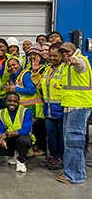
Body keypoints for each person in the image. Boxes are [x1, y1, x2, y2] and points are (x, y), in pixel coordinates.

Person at [57, 42, 92, 184]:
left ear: (74, 50)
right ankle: (70, 168)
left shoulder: (80, 60)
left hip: (78, 107)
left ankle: (75, 175)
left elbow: (80, 64)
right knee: (69, 140)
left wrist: (74, 60)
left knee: (74, 141)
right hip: (71, 106)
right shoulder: (66, 65)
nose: (64, 54)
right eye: (62, 52)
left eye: (67, 51)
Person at [34, 43, 65, 170]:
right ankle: (52, 156)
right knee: (51, 135)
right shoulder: (47, 69)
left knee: (61, 136)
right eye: (50, 55)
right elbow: (37, 84)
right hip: (48, 109)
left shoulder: (65, 69)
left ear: (61, 55)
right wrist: (35, 71)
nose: (51, 58)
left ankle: (61, 158)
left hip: (61, 109)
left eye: (55, 55)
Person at [0, 92, 35, 173]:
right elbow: (0, 129)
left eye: (15, 101)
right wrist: (1, 138)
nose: (12, 103)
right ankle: (12, 155)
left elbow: (26, 130)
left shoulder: (26, 111)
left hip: (22, 137)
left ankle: (21, 161)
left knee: (24, 140)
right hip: (10, 139)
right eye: (9, 101)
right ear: (5, 101)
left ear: (18, 102)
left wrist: (6, 134)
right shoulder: (1, 112)